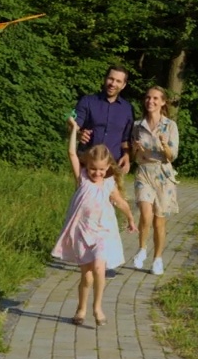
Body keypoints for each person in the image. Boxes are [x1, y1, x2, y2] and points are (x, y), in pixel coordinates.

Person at [52, 117, 136, 326]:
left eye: (101, 169)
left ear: (108, 167)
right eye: (93, 169)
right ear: (87, 166)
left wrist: (131, 219)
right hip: (82, 232)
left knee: (100, 267)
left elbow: (121, 203)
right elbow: (72, 153)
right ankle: (81, 309)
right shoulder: (82, 178)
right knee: (86, 276)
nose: (97, 173)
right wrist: (74, 130)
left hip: (103, 232)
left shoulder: (109, 184)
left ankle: (97, 307)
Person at [130, 86, 179, 276]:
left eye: (156, 99)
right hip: (143, 171)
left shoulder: (170, 126)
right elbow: (134, 156)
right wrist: (135, 149)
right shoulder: (137, 125)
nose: (151, 101)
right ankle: (142, 249)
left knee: (159, 221)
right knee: (145, 213)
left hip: (163, 175)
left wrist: (164, 144)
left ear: (163, 102)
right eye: (148, 98)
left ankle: (157, 259)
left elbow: (171, 156)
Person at [75, 67, 135, 174]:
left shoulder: (127, 109)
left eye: (118, 81)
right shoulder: (87, 101)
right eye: (111, 79)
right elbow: (74, 125)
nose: (113, 83)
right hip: (88, 164)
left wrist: (126, 155)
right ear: (105, 79)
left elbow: (125, 139)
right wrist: (79, 134)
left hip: (113, 166)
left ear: (123, 85)